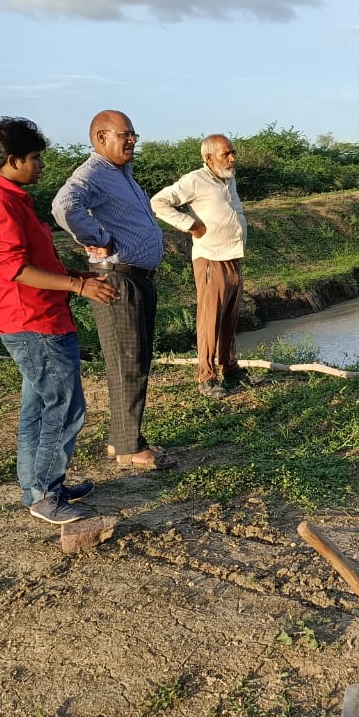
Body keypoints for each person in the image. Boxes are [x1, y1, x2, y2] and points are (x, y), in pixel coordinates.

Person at [0, 116, 117, 524]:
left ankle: (37, 489)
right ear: (12, 160)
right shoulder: (0, 205)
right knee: (66, 407)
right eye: (34, 157)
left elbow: (32, 261)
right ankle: (46, 494)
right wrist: (77, 285)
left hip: (37, 316)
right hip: (34, 321)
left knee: (37, 408)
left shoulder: (13, 199)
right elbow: (15, 269)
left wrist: (76, 276)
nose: (41, 164)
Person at [52, 110, 170, 470]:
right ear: (101, 138)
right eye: (125, 134)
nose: (132, 140)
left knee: (133, 359)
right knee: (127, 361)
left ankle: (121, 439)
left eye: (134, 134)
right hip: (118, 279)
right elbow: (63, 206)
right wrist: (96, 237)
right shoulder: (92, 173)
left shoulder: (122, 174)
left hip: (137, 278)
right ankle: (129, 448)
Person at [150, 134, 253, 398]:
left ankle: (230, 367)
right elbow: (158, 202)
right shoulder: (195, 180)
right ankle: (206, 377)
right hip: (210, 259)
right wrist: (191, 225)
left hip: (232, 256)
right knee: (210, 319)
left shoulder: (228, 179)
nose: (232, 158)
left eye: (232, 152)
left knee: (229, 316)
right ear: (208, 158)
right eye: (226, 154)